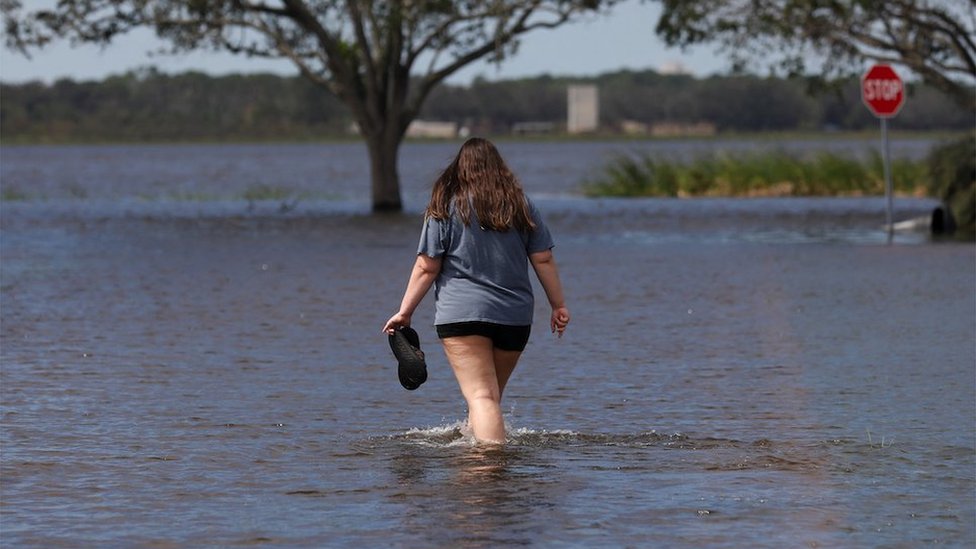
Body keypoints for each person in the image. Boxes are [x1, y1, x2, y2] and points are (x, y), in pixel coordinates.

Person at [383, 137, 570, 444]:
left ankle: (488, 469)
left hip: (461, 314)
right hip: (514, 316)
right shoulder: (521, 205)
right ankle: (486, 461)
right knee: (489, 397)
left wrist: (405, 312)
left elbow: (427, 266)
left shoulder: (444, 206)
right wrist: (558, 305)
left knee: (482, 396)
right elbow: (543, 257)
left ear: (461, 169)